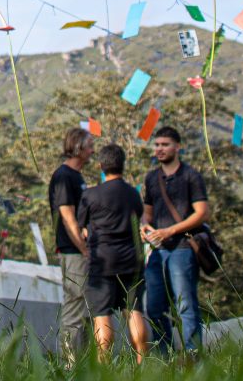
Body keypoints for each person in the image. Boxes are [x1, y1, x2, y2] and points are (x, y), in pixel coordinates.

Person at [75, 144, 148, 362]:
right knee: (134, 312)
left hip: (102, 262)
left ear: (101, 166)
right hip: (131, 261)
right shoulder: (133, 195)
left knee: (102, 316)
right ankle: (143, 363)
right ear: (122, 165)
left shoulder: (90, 195)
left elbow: (82, 228)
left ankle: (103, 366)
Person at [141, 126, 210, 353]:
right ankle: (164, 356)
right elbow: (147, 213)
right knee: (154, 307)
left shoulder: (191, 176)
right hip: (157, 250)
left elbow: (202, 213)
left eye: (165, 144)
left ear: (177, 147)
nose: (160, 149)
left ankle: (193, 355)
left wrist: (170, 231)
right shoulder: (152, 178)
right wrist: (144, 226)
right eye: (157, 145)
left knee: (186, 305)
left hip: (183, 247)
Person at [48, 126, 94, 362]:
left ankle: (84, 361)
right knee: (74, 307)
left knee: (86, 308)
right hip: (73, 251)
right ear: (78, 148)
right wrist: (83, 249)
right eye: (90, 146)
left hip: (81, 251)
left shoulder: (78, 177)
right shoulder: (64, 176)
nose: (92, 150)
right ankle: (69, 363)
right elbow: (67, 217)